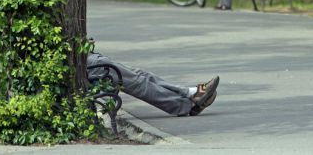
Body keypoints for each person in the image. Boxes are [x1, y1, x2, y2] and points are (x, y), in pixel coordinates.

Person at [87, 52, 220, 116]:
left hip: (85, 60)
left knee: (140, 74)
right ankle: (189, 104)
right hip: (85, 64)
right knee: (136, 81)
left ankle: (190, 94)